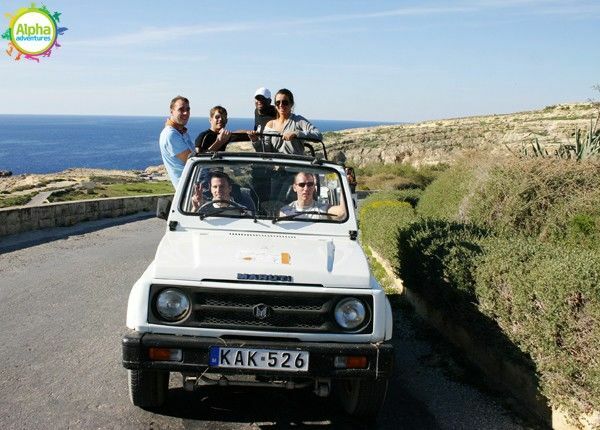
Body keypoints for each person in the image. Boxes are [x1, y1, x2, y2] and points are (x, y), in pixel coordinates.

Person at [260, 89, 322, 155]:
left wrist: (296, 133)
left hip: (294, 164)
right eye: (278, 102)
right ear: (275, 105)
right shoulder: (270, 125)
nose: (281, 105)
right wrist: (254, 140)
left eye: (285, 102)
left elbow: (318, 135)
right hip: (276, 164)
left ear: (291, 104)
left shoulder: (298, 121)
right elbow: (265, 151)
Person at [159, 96, 194, 188]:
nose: (186, 113)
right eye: (181, 109)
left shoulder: (181, 132)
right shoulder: (171, 135)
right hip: (189, 189)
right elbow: (193, 161)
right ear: (172, 111)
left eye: (188, 109)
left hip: (194, 186)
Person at [279, 172, 346, 220]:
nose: (306, 188)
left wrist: (344, 183)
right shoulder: (285, 211)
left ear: (314, 187)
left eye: (310, 184)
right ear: (294, 187)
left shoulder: (323, 209)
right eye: (302, 185)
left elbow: (342, 213)